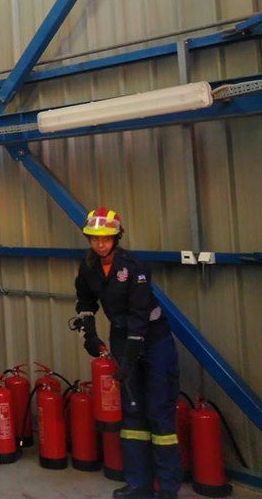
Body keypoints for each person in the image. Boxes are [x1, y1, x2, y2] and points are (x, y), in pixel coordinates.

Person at [74, 208, 182, 499]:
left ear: (116, 238)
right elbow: (85, 300)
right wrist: (89, 332)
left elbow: (139, 313)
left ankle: (168, 487)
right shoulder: (88, 267)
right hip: (121, 336)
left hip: (154, 338)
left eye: (106, 238)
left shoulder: (134, 266)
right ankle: (139, 483)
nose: (100, 244)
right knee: (132, 411)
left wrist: (129, 358)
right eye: (95, 239)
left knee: (159, 411)